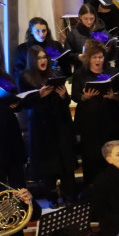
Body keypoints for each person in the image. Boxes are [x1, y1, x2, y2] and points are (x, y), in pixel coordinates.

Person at [19, 46, 78, 201]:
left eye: (44, 57)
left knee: (66, 163)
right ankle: (52, 197)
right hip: (42, 127)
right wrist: (40, 94)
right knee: (49, 166)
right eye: (39, 58)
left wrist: (63, 95)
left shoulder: (55, 74)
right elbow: (23, 104)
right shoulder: (25, 77)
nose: (43, 60)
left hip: (61, 124)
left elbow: (66, 101)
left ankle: (69, 196)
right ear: (32, 60)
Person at [72, 40, 119, 185]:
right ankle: (93, 189)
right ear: (89, 58)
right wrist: (84, 97)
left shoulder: (112, 72)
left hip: (110, 118)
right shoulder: (80, 74)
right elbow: (75, 95)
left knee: (112, 152)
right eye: (94, 57)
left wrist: (114, 96)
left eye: (100, 57)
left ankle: (116, 185)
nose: (98, 60)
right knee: (92, 156)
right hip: (89, 121)